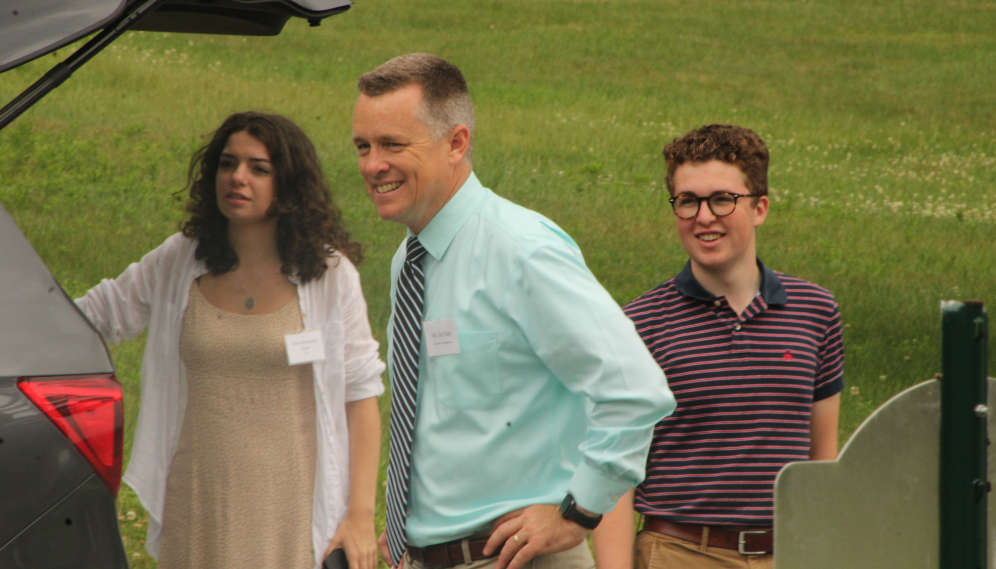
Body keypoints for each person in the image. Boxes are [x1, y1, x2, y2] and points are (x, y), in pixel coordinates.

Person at [350, 53, 676, 569]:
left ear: (456, 143)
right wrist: (411, 524)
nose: (372, 164)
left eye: (392, 144)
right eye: (363, 146)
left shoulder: (523, 251)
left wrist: (577, 513)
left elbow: (635, 391)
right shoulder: (409, 262)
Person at [75, 112, 385, 569]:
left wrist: (360, 515)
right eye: (227, 163)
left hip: (293, 515)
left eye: (259, 168)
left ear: (289, 184)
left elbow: (361, 397)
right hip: (198, 503)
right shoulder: (179, 260)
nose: (238, 177)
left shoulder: (330, 276)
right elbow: (90, 317)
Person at [592, 124, 845, 569]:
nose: (703, 216)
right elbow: (614, 476)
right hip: (680, 552)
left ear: (760, 208)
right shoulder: (637, 325)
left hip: (788, 552)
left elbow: (822, 462)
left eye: (722, 200)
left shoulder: (816, 311)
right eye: (687, 201)